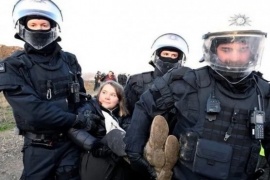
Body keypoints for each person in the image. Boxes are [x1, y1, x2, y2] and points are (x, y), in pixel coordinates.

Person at [124, 14, 270, 180]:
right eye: (227, 49)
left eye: (243, 49)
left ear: (254, 52)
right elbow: (145, 104)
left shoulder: (264, 94)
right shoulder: (187, 81)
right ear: (213, 51)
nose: (235, 57)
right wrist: (134, 151)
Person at [0, 0, 93, 179]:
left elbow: (82, 97)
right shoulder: (13, 65)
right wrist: (76, 120)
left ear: (53, 27)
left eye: (44, 24)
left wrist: (88, 114)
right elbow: (34, 111)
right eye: (33, 24)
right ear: (23, 27)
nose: (39, 29)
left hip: (71, 143)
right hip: (39, 146)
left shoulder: (69, 60)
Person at [68, 81, 138, 180]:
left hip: (117, 161)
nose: (107, 97)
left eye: (113, 95)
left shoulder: (123, 116)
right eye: (104, 92)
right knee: (115, 134)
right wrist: (95, 145)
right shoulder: (89, 108)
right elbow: (73, 129)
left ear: (119, 99)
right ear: (99, 93)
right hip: (94, 158)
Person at [124, 33, 189, 116]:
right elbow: (124, 112)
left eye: (174, 55)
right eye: (165, 54)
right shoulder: (136, 81)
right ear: (157, 55)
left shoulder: (186, 84)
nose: (169, 58)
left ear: (179, 59)